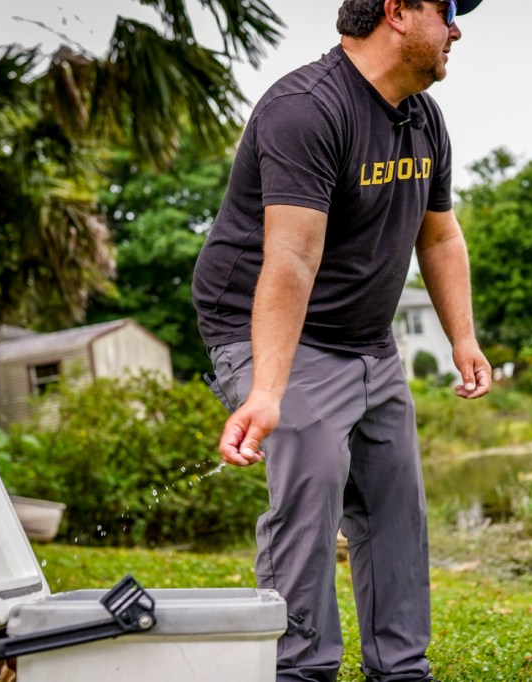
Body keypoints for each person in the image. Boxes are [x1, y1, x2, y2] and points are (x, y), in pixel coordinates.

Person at [191, 1, 489, 679]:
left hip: (367, 337)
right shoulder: (306, 110)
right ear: (397, 11)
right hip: (269, 328)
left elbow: (440, 235)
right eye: (446, 9)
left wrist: (463, 338)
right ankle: (299, 670)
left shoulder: (423, 118)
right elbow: (292, 257)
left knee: (394, 503)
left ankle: (401, 669)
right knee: (312, 488)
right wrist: (267, 392)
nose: (457, 28)